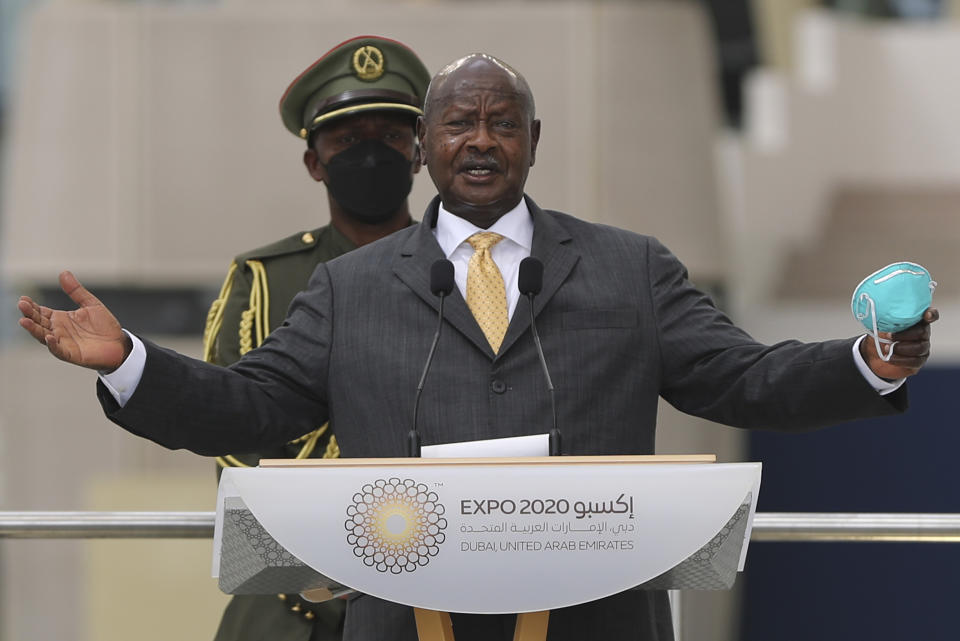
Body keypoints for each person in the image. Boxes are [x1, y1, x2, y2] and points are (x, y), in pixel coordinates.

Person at [18, 53, 937, 641]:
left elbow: (743, 379)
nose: (482, 140)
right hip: (412, 618)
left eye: (503, 123)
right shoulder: (350, 287)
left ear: (534, 141)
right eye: (460, 123)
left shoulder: (629, 268)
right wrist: (131, 361)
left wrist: (871, 362)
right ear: (427, 146)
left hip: (596, 617)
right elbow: (253, 405)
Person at [202, 36, 430, 641]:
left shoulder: (463, 275)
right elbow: (233, 441)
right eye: (348, 141)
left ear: (418, 153)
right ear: (314, 162)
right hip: (291, 598)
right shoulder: (265, 277)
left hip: (431, 583)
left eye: (390, 138)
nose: (371, 154)